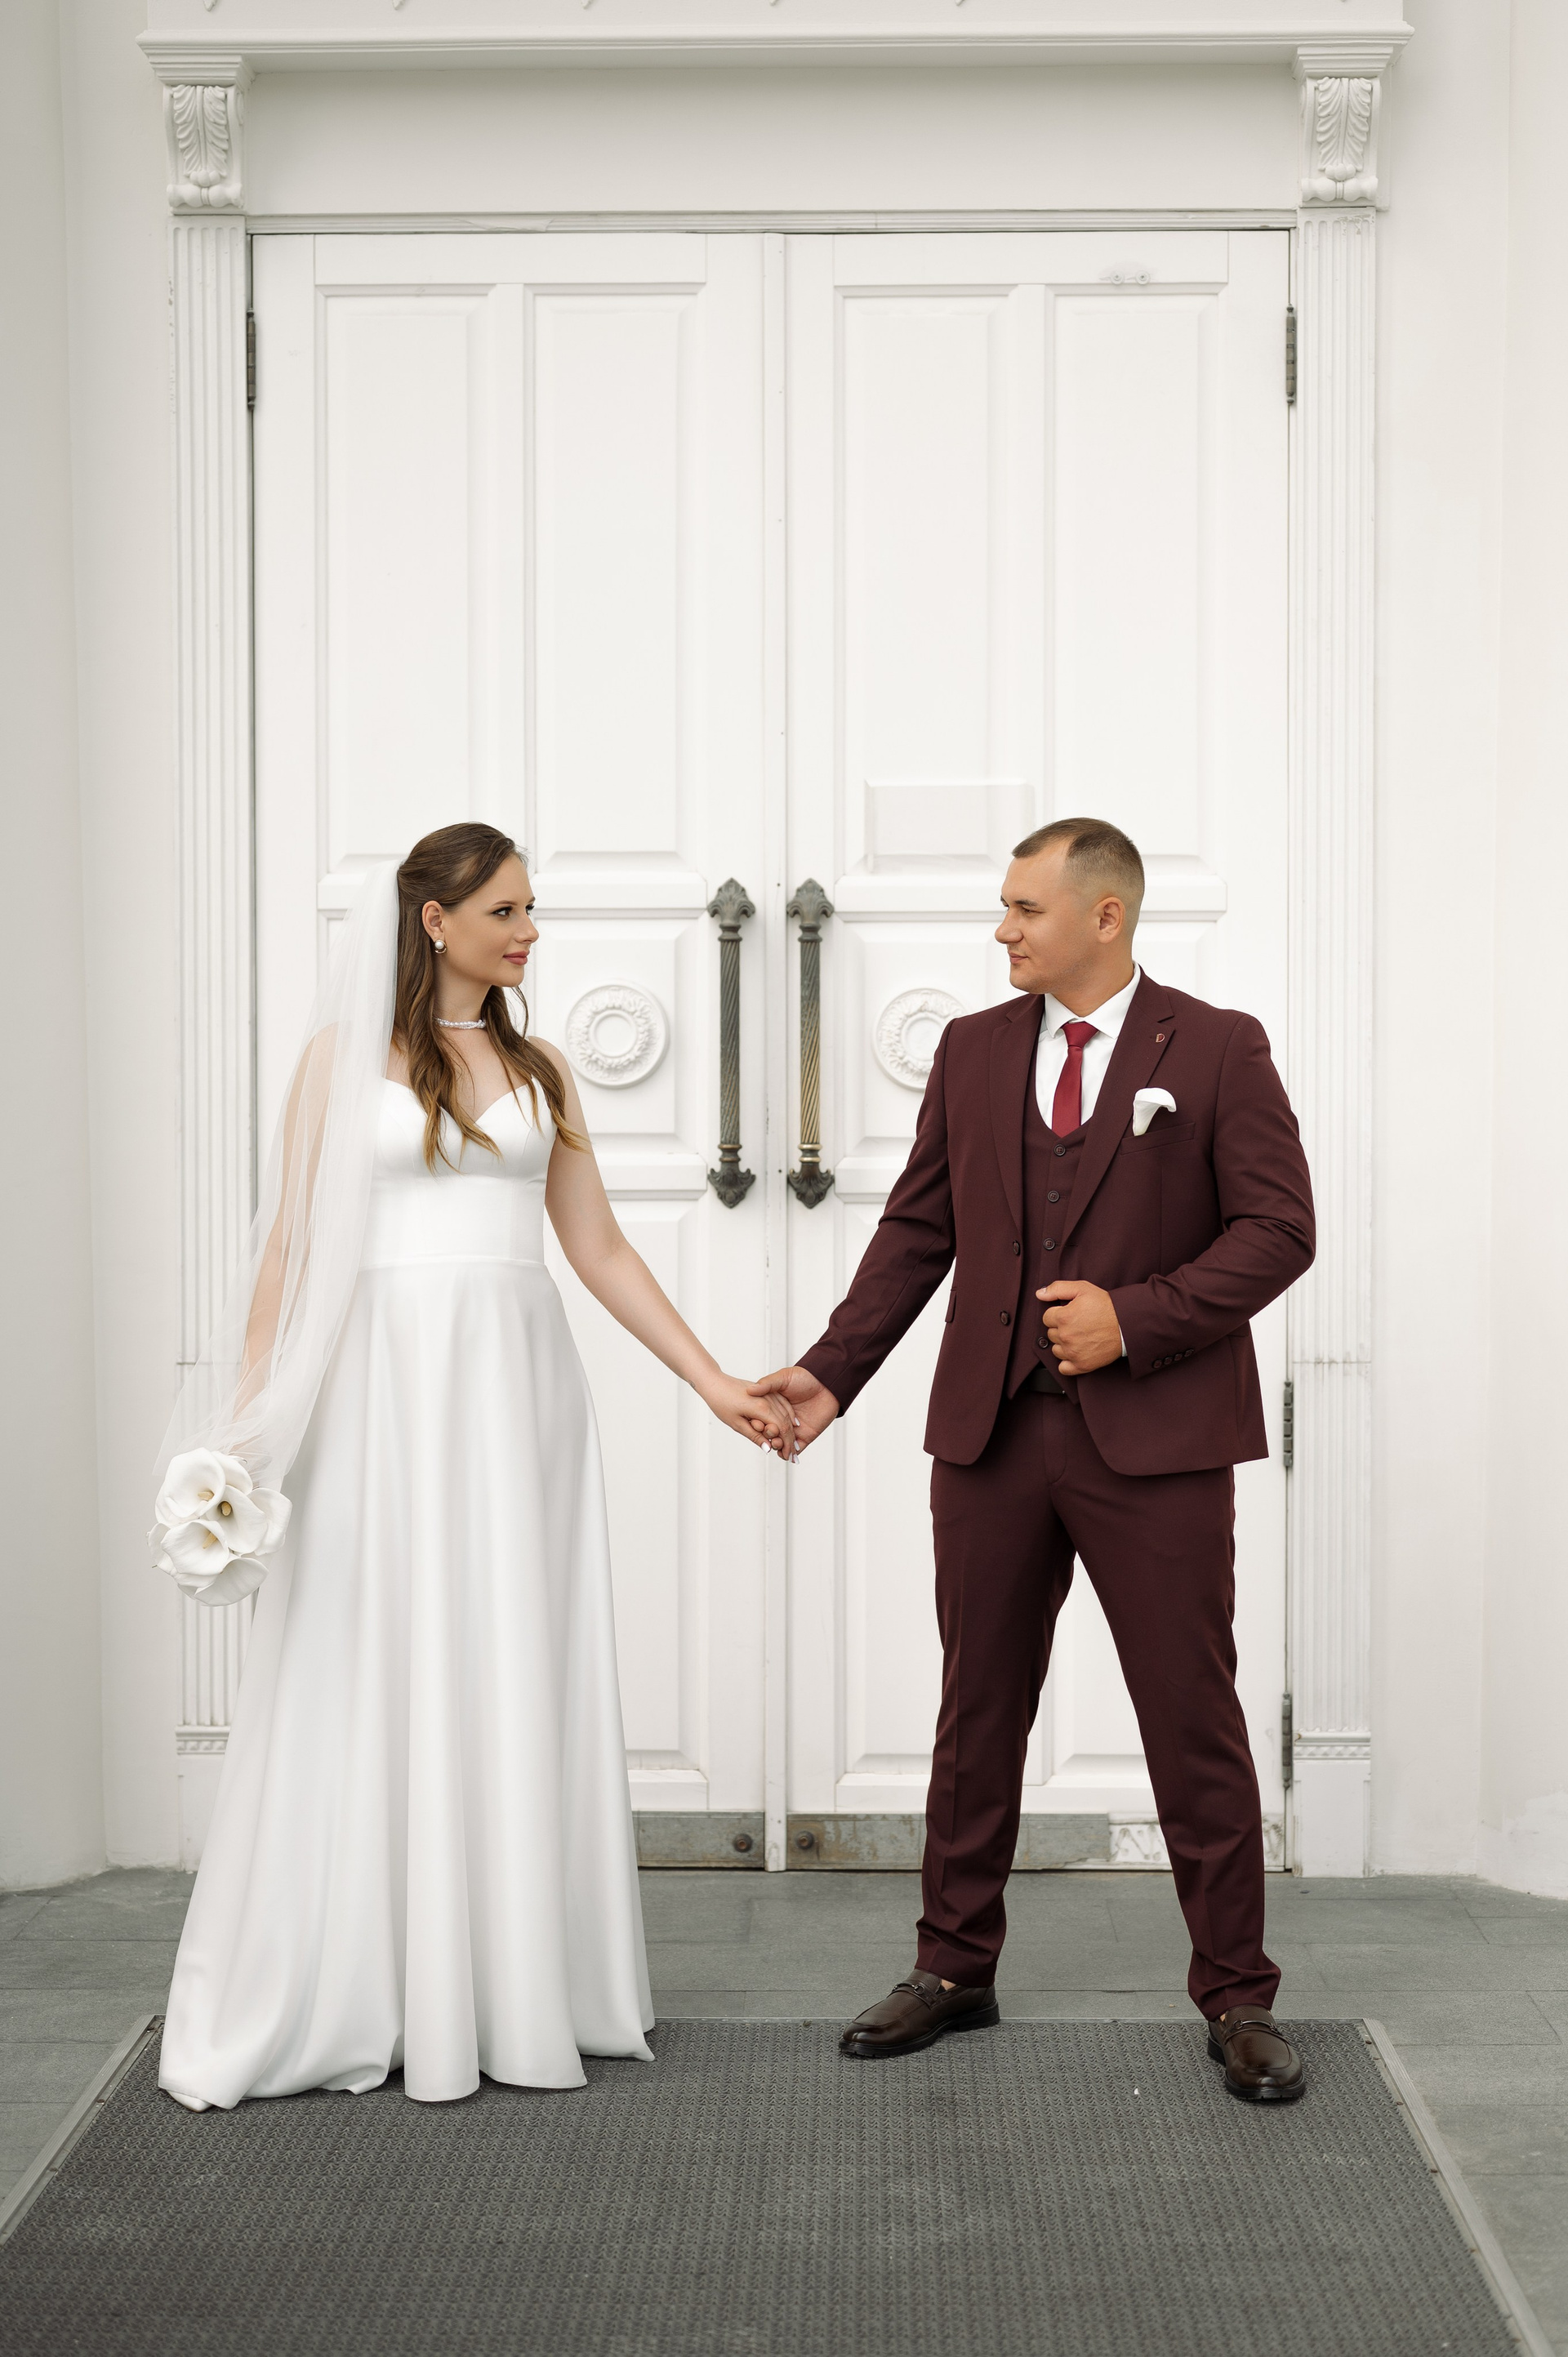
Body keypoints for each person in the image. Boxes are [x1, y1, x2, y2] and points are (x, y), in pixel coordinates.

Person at [157, 824, 793, 2108]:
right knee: (369, 1653)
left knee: (506, 1649)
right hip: (378, 1391)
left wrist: (713, 1377)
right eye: (506, 908)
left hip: (514, 1392)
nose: (529, 930)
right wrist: (248, 1425)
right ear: (434, 918)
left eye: (531, 907)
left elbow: (598, 1249)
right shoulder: (339, 1062)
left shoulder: (541, 1067)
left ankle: (507, 1984)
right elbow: (290, 1247)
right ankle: (363, 1981)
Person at [750, 818, 1316, 2102]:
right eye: (1003, 906)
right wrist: (831, 1372)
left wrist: (1139, 1317)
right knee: (978, 1704)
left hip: (1158, 1445)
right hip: (991, 1434)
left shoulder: (1217, 1047)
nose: (1001, 928)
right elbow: (918, 1232)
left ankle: (1238, 1990)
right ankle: (953, 1966)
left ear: (1104, 915)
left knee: (1192, 1712)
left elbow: (1282, 1229)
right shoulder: (973, 1048)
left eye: (1024, 907)